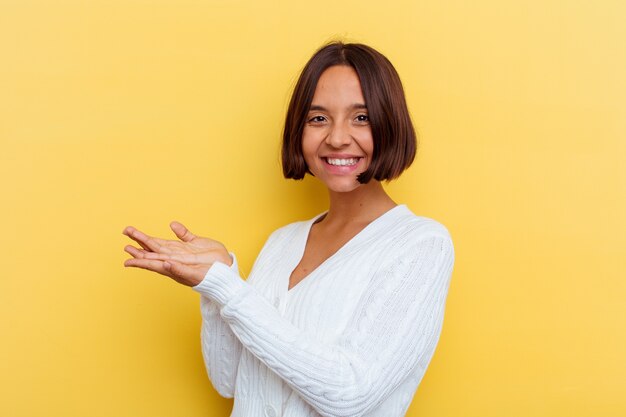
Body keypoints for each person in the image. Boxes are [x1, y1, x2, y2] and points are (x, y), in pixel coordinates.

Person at [123, 41, 455, 417]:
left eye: (361, 117)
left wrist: (229, 291)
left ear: (390, 123)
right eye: (318, 118)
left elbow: (349, 394)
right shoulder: (282, 242)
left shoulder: (420, 244)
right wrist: (215, 283)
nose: (337, 137)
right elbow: (228, 380)